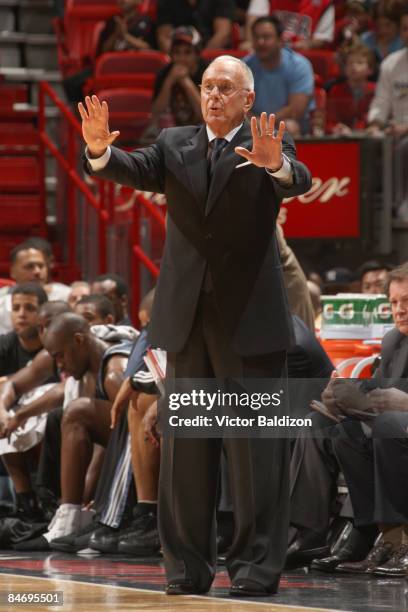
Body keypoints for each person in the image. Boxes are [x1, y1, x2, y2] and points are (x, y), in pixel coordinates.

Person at [78, 54, 312, 596]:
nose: (212, 95)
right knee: (187, 454)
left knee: (256, 454)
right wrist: (98, 150)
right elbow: (132, 169)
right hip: (186, 319)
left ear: (248, 100)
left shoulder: (267, 138)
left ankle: (254, 568)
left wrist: (276, 166)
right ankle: (186, 569)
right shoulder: (174, 141)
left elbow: (296, 179)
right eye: (207, 86)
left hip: (250, 323)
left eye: (225, 88)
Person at [244, 16, 315, 134]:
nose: (260, 42)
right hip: (253, 124)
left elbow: (296, 110)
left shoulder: (299, 65)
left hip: (284, 124)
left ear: (280, 40)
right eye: (256, 37)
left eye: (266, 37)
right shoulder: (243, 66)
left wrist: (266, 124)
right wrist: (257, 123)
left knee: (289, 126)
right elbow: (237, 107)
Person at [150, 26, 206, 129]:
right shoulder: (164, 73)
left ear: (197, 54)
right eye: (177, 52)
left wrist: (186, 83)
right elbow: (156, 115)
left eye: (187, 52)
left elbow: (207, 117)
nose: (182, 58)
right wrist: (169, 81)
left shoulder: (208, 73)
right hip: (172, 131)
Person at [243, 0, 335, 51]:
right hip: (268, 52)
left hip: (303, 56)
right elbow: (253, 28)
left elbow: (321, 39)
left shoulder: (324, 2)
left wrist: (308, 44)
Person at [326, 44, 375, 135]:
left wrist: (355, 131)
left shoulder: (375, 90)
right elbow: (329, 120)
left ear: (370, 69)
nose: (353, 67)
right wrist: (336, 128)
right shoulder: (336, 90)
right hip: (341, 137)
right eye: (350, 63)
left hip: (368, 136)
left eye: (359, 62)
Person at [156, 0, 235, 54]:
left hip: (210, 56)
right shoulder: (166, 2)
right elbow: (164, 37)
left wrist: (200, 59)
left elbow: (223, 33)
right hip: (177, 55)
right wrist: (179, 58)